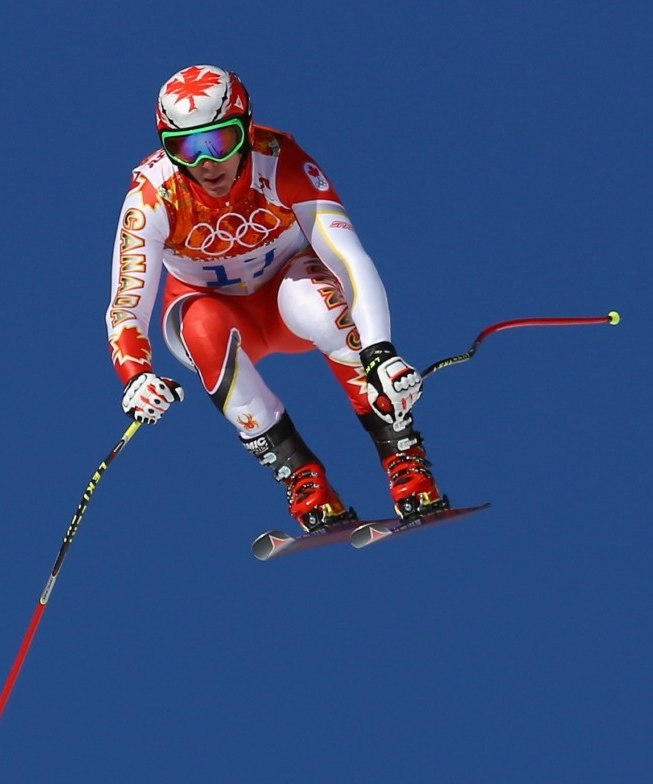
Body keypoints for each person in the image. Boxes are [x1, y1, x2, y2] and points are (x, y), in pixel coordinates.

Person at [107, 65, 449, 534]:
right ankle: (303, 478)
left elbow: (348, 258)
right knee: (200, 328)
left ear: (246, 130)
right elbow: (127, 303)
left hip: (293, 296)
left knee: (318, 299)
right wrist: (136, 376)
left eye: (220, 141)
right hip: (222, 317)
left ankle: (403, 457)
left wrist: (381, 351)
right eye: (186, 148)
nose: (207, 163)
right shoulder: (152, 196)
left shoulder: (281, 160)